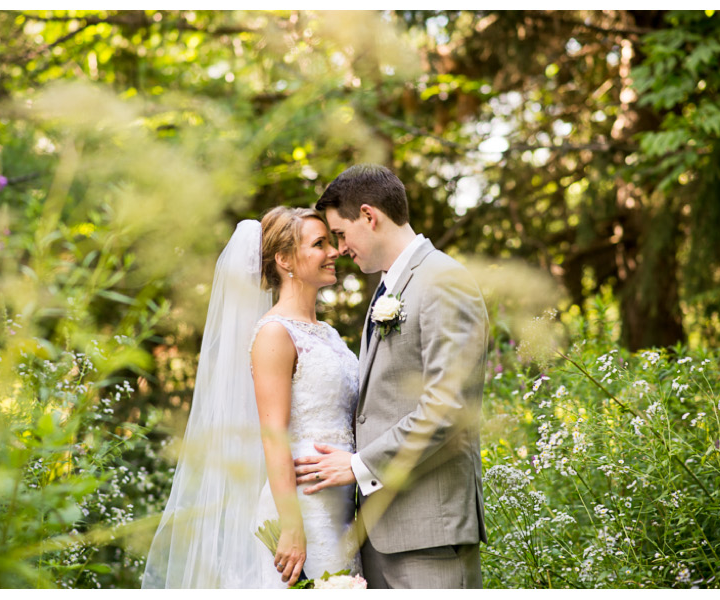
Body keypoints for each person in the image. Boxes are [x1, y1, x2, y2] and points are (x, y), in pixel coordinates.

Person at [293, 164, 489, 588]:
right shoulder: (389, 289)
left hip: (429, 537)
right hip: (379, 536)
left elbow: (447, 406)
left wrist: (359, 465)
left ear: (369, 215)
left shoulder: (444, 281)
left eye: (341, 234)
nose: (340, 249)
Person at [142, 208, 360, 587]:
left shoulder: (328, 333)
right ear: (285, 260)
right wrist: (291, 527)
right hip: (303, 506)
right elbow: (272, 432)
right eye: (319, 244)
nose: (334, 252)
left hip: (343, 503)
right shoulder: (275, 333)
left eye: (331, 242)